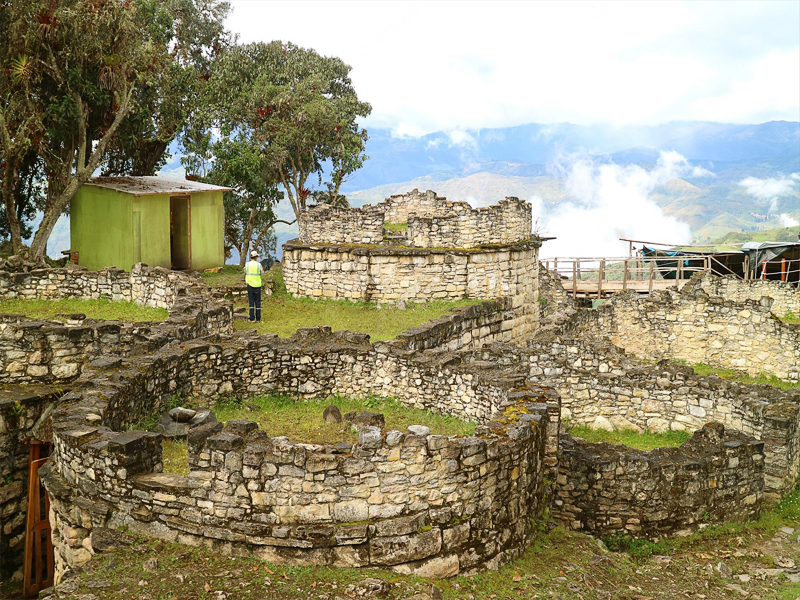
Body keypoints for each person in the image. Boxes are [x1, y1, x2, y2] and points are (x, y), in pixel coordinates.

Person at [244, 250, 264, 322]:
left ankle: (252, 318)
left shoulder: (247, 264)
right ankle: (258, 318)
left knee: (251, 302)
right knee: (258, 302)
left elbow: (245, 272)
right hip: (257, 285)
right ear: (255, 257)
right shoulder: (259, 265)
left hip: (250, 285)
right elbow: (262, 273)